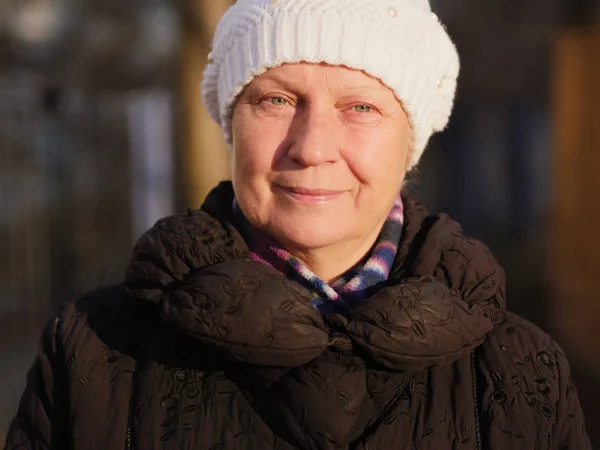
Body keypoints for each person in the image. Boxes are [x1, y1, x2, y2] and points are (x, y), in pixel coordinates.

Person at [4, 0, 591, 449]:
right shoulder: (93, 353)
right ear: (232, 125)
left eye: (360, 107)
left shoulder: (517, 371)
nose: (312, 147)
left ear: (410, 143)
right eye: (277, 101)